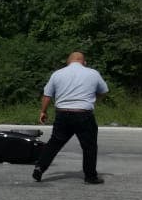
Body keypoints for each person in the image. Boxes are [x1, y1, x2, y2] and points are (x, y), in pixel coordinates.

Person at [32, 52, 109, 184]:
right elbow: (103, 91)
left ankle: (39, 168)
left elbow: (47, 95)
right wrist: (93, 100)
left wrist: (43, 112)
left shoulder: (57, 74)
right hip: (83, 114)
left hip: (62, 114)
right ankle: (90, 176)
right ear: (84, 62)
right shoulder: (93, 73)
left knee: (54, 143)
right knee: (89, 146)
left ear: (68, 62)